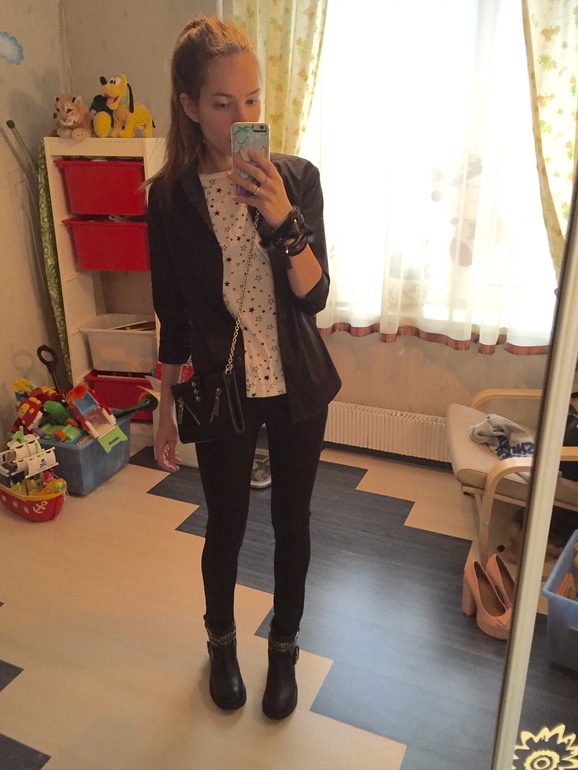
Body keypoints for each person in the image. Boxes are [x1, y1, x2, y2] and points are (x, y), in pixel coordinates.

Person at [147, 15, 341, 720]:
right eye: (223, 103)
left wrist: (282, 217)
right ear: (190, 106)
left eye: (252, 100)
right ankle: (222, 645)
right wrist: (163, 409)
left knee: (293, 523)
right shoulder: (169, 198)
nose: (241, 119)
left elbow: (314, 296)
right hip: (218, 385)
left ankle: (283, 647)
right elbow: (171, 313)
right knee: (225, 523)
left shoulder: (298, 178)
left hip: (297, 384)